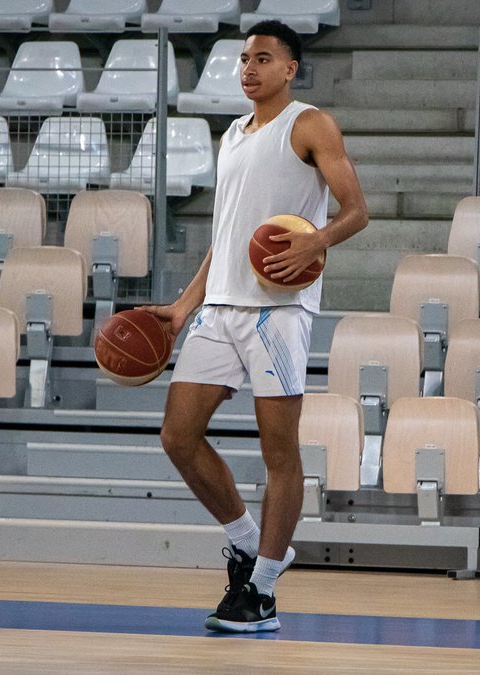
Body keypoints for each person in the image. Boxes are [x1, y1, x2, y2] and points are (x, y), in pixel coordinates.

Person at [141, 20, 368, 633]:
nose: (249, 68)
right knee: (177, 437)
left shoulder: (310, 124)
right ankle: (247, 544)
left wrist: (316, 240)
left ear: (290, 69)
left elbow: (357, 210)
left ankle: (262, 589)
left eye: (262, 59)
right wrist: (187, 305)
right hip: (219, 309)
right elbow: (226, 239)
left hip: (278, 313)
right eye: (244, 59)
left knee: (280, 453)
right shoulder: (234, 134)